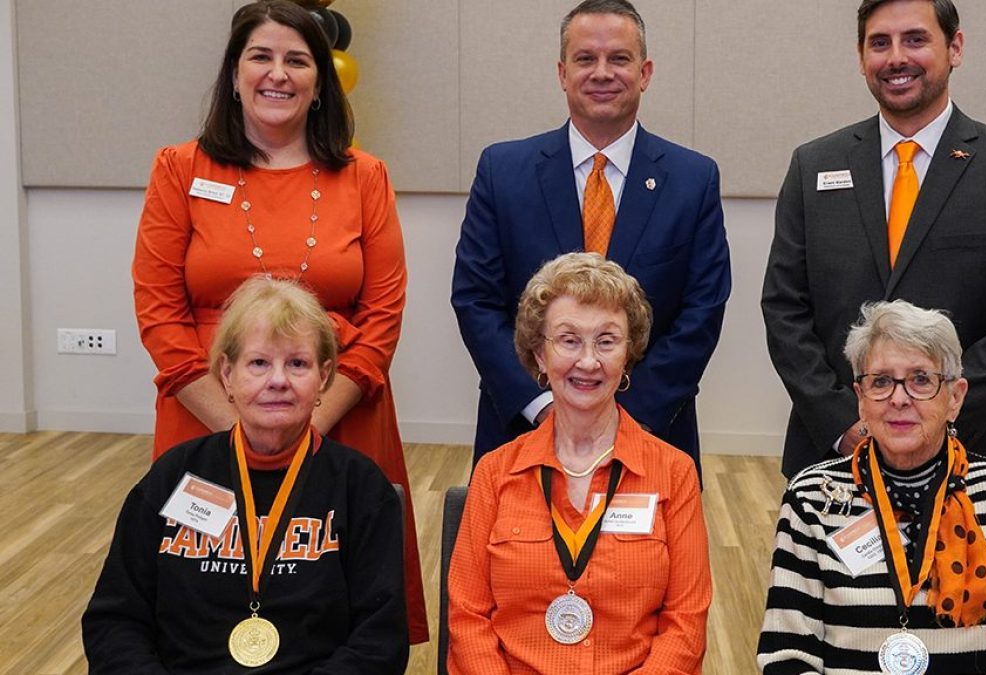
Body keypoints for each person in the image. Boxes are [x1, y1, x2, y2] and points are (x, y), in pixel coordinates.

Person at [130, 0, 426, 641]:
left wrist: (305, 424)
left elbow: (382, 317)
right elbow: (159, 313)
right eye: (260, 56)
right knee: (202, 593)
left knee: (338, 592)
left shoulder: (365, 176)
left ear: (322, 81)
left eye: (298, 60)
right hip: (204, 412)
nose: (278, 73)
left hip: (338, 415)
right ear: (234, 74)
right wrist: (239, 427)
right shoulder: (181, 170)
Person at [761, 0, 986, 477]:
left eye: (915, 39)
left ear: (954, 47)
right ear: (861, 58)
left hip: (969, 454)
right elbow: (784, 310)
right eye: (880, 43)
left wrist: (932, 421)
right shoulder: (813, 165)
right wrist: (845, 423)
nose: (896, 57)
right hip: (834, 454)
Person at [451, 0, 731, 477]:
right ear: (562, 73)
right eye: (585, 59)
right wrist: (543, 407)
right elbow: (476, 300)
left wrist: (622, 419)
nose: (602, 72)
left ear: (644, 73)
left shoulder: (692, 178)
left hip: (652, 435)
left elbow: (701, 312)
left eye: (618, 59)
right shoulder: (503, 171)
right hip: (522, 431)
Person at [84, 277, 410, 673]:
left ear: (324, 377)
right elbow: (115, 620)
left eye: (297, 363)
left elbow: (380, 641)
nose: (278, 380)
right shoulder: (173, 476)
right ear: (226, 375)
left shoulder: (360, 488)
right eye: (258, 363)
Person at [756, 300, 986, 674]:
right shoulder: (812, 496)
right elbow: (786, 655)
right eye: (881, 381)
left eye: (921, 379)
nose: (899, 399)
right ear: (861, 400)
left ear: (955, 397)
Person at [448, 252, 711, 673]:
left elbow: (686, 625)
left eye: (606, 341)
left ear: (628, 354)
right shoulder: (495, 473)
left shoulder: (674, 474)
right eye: (568, 340)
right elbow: (467, 617)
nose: (588, 361)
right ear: (539, 353)